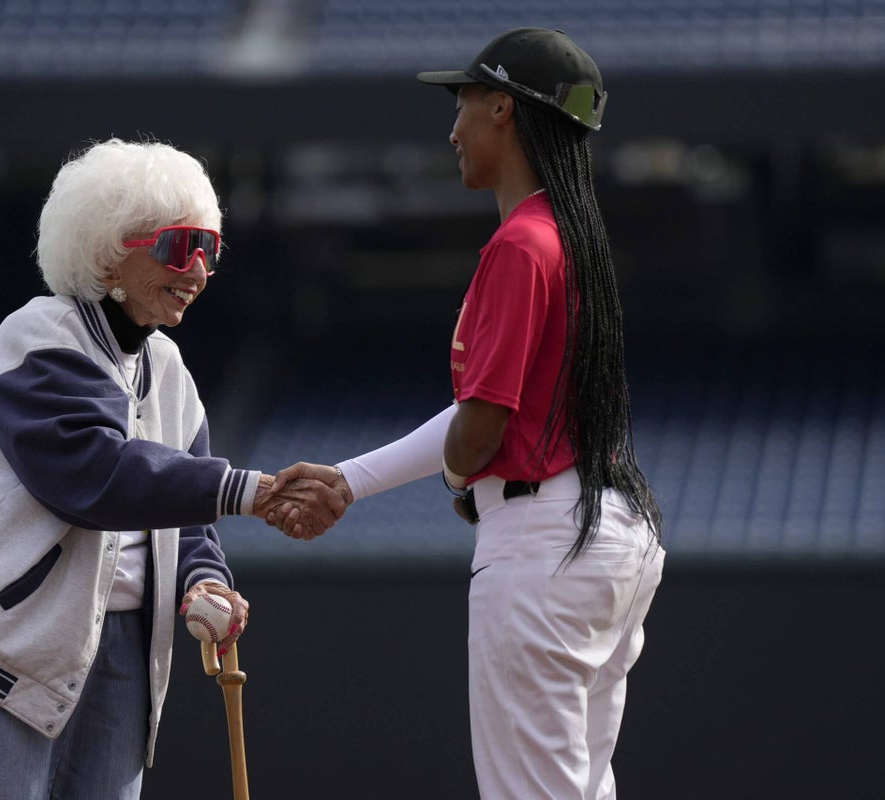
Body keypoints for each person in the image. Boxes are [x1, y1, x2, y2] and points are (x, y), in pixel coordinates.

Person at [273, 29, 665, 800]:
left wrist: (458, 471)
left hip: (542, 542)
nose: (453, 129)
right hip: (608, 530)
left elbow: (479, 431)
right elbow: (479, 410)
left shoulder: (520, 244)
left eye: (462, 106)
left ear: (502, 108)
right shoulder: (570, 238)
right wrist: (352, 479)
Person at [0, 137, 345, 800]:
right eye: (179, 247)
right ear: (107, 250)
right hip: (8, 645)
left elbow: (190, 523)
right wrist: (251, 490)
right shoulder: (38, 337)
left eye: (210, 248)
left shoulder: (168, 369)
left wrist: (205, 582)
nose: (198, 270)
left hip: (127, 646)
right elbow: (100, 477)